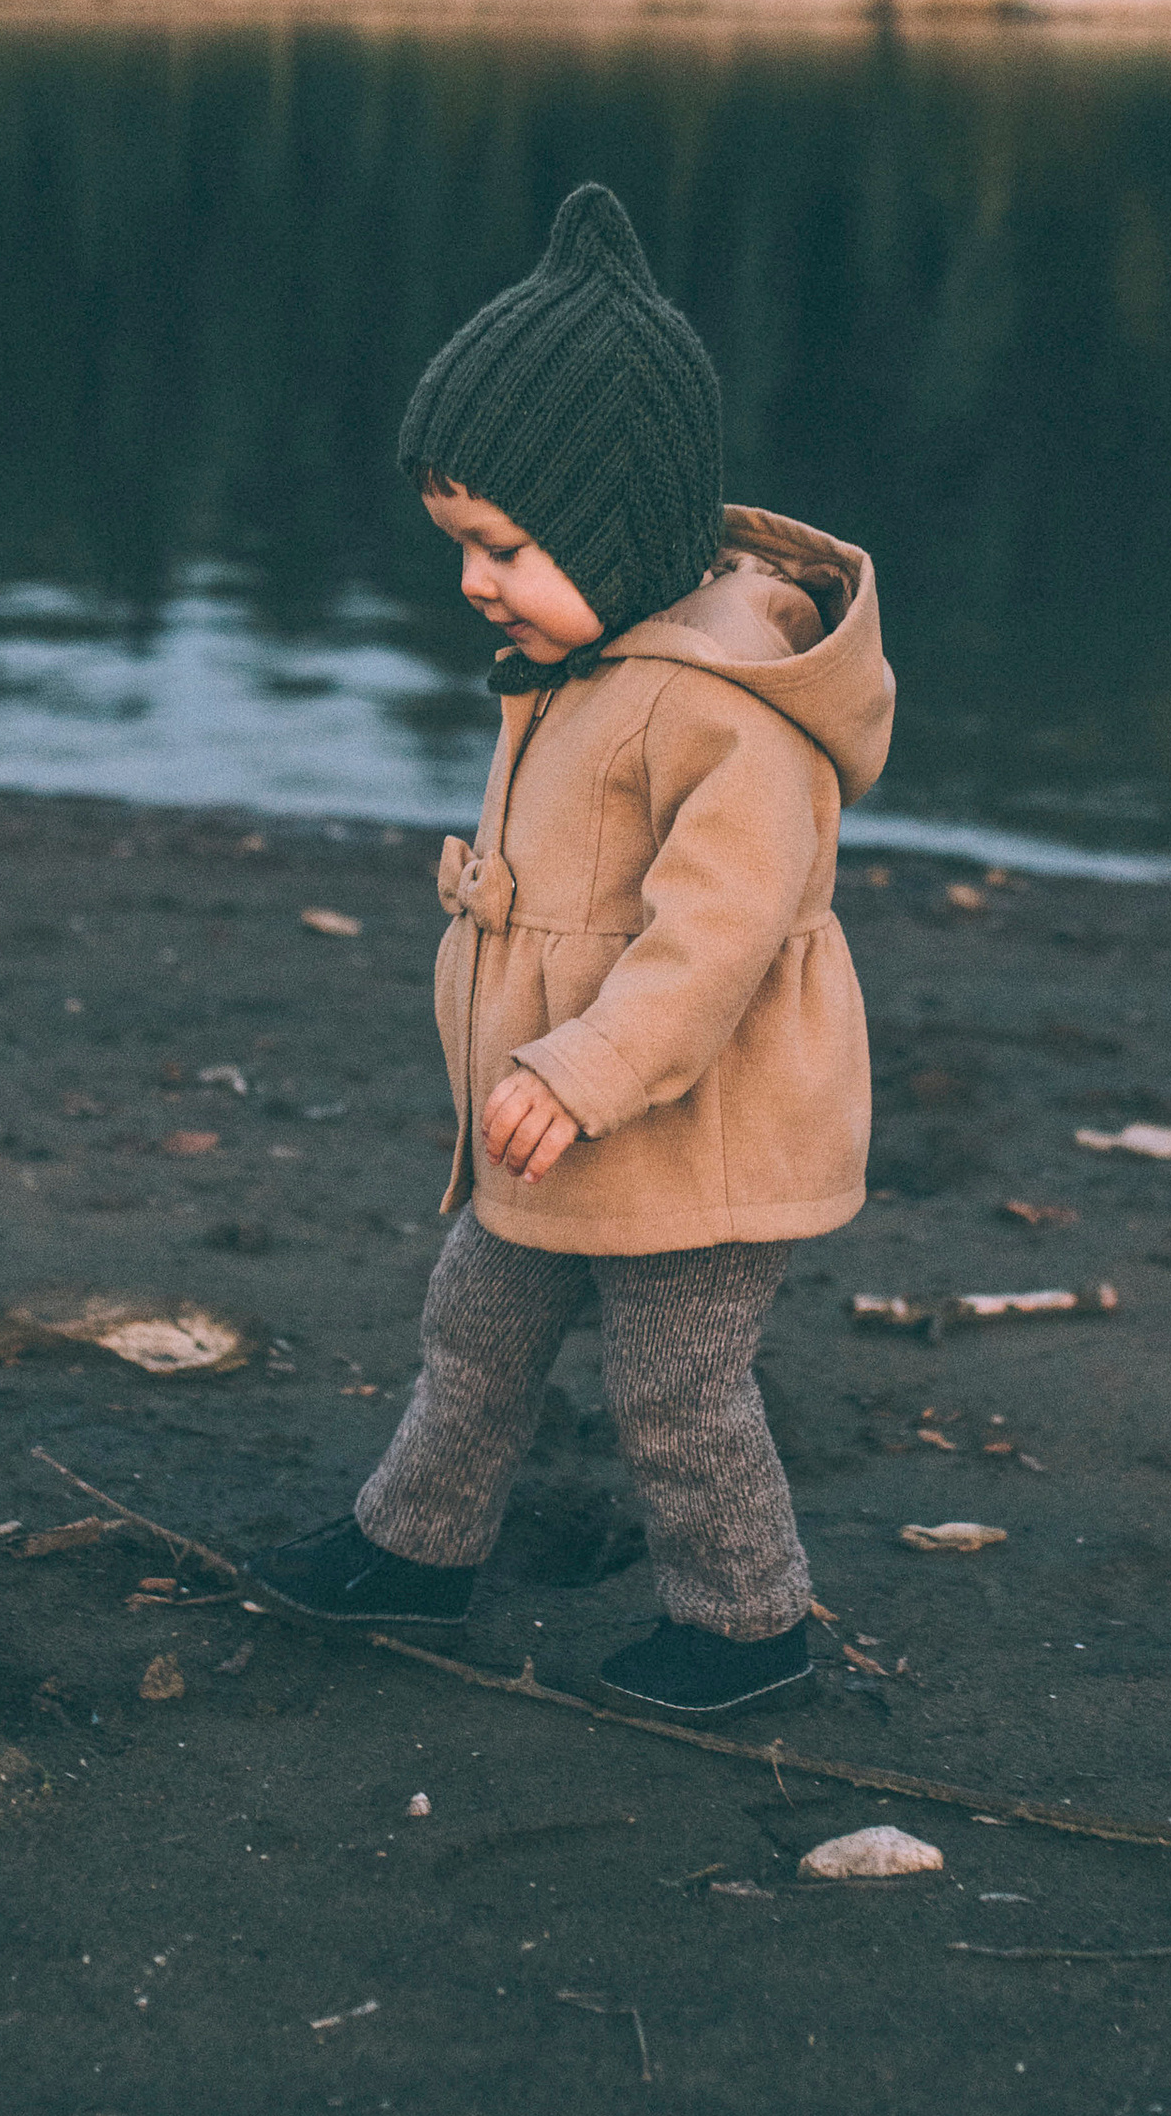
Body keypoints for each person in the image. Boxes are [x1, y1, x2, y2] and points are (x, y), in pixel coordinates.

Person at [247, 182, 893, 1711]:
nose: (477, 579)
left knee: (675, 1384)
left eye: (510, 544)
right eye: (463, 542)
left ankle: (749, 1625)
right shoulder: (580, 662)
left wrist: (583, 1064)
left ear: (616, 526)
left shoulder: (725, 712)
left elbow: (710, 943)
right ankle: (414, 1543)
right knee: (470, 1321)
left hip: (694, 1132)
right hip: (556, 1120)